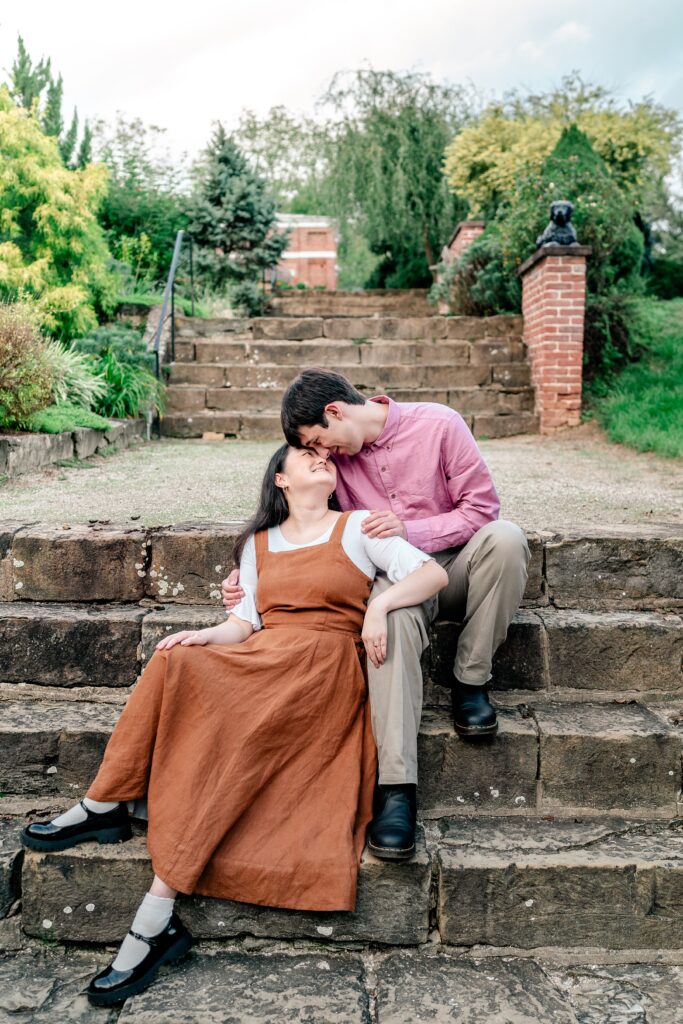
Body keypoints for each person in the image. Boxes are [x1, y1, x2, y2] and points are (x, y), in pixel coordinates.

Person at [19, 443, 447, 1007]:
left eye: (326, 455)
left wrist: (376, 607)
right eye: (306, 455)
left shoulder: (359, 528)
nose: (322, 458)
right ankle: (104, 804)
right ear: (281, 479)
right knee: (174, 659)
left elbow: (431, 573)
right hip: (262, 659)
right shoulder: (257, 544)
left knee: (241, 744)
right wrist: (203, 636)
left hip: (321, 672)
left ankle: (153, 920)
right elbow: (242, 625)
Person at [222, 369, 530, 863]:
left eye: (318, 440)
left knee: (508, 538)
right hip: (396, 580)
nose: (322, 454)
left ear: (336, 412)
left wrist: (411, 531)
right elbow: (304, 518)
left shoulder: (440, 425)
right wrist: (248, 580)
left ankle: (471, 679)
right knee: (389, 617)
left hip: (462, 565)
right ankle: (396, 789)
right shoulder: (336, 466)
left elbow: (482, 510)